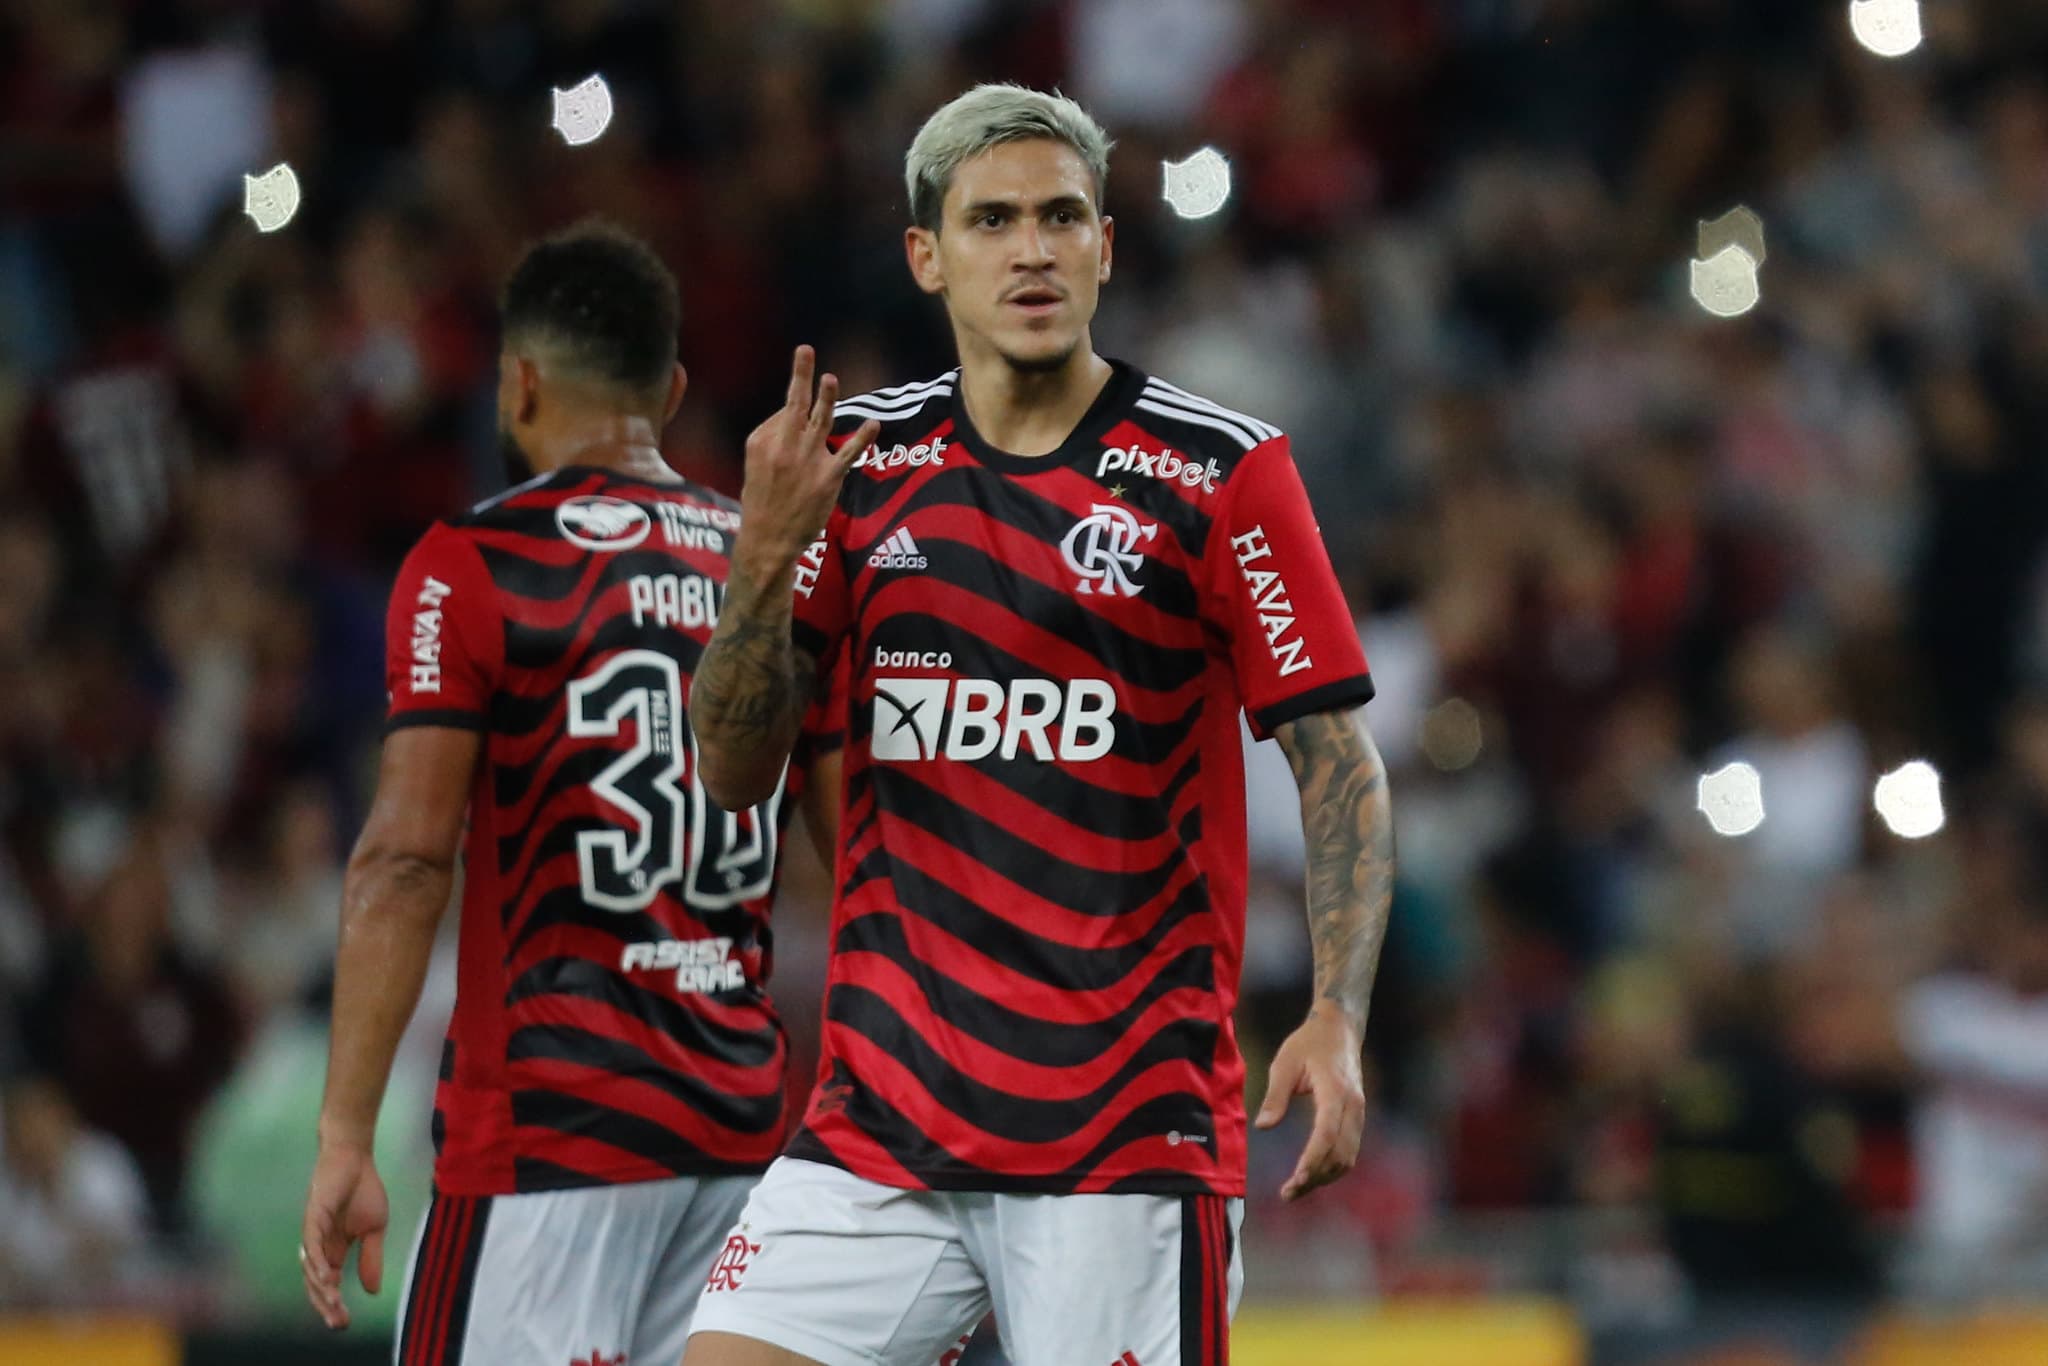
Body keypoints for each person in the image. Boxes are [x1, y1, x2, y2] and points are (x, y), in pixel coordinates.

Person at [685, 85, 1393, 1366]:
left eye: (1061, 217)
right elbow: (733, 772)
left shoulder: (1224, 471)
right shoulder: (854, 470)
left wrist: (1336, 1012)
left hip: (1120, 1140)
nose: (1031, 248)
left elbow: (1336, 760)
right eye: (992, 219)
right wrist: (762, 561)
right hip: (878, 1128)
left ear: (1105, 248)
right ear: (926, 255)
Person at [298, 221, 842, 1366]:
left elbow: (403, 858)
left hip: (549, 1138)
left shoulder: (473, 563)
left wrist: (347, 1133)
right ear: (675, 387)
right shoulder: (762, 563)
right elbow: (854, 853)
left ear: (520, 382)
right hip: (737, 1138)